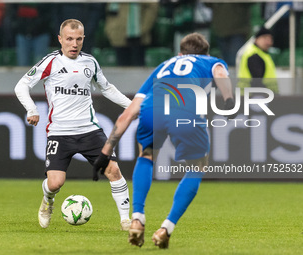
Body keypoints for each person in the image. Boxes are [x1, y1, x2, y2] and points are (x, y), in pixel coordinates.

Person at [93, 33, 236, 248]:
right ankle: (166, 229)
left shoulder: (164, 66)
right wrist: (228, 97)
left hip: (153, 108)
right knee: (197, 167)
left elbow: (128, 114)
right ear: (205, 53)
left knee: (146, 155)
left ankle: (138, 218)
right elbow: (219, 72)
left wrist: (105, 153)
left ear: (180, 54)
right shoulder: (210, 61)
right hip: (185, 108)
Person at [14, 19, 132, 230]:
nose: (74, 44)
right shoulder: (50, 62)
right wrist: (32, 109)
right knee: (55, 183)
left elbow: (107, 88)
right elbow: (22, 85)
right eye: (69, 39)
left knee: (113, 171)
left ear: (83, 39)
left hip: (90, 131)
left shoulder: (90, 62)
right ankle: (48, 201)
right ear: (60, 39)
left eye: (78, 39)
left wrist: (132, 106)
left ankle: (125, 220)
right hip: (59, 133)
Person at [238, 26, 278, 94]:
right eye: (265, 38)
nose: (268, 42)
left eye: (270, 39)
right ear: (256, 39)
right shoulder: (254, 55)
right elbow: (257, 81)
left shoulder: (263, 54)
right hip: (255, 96)